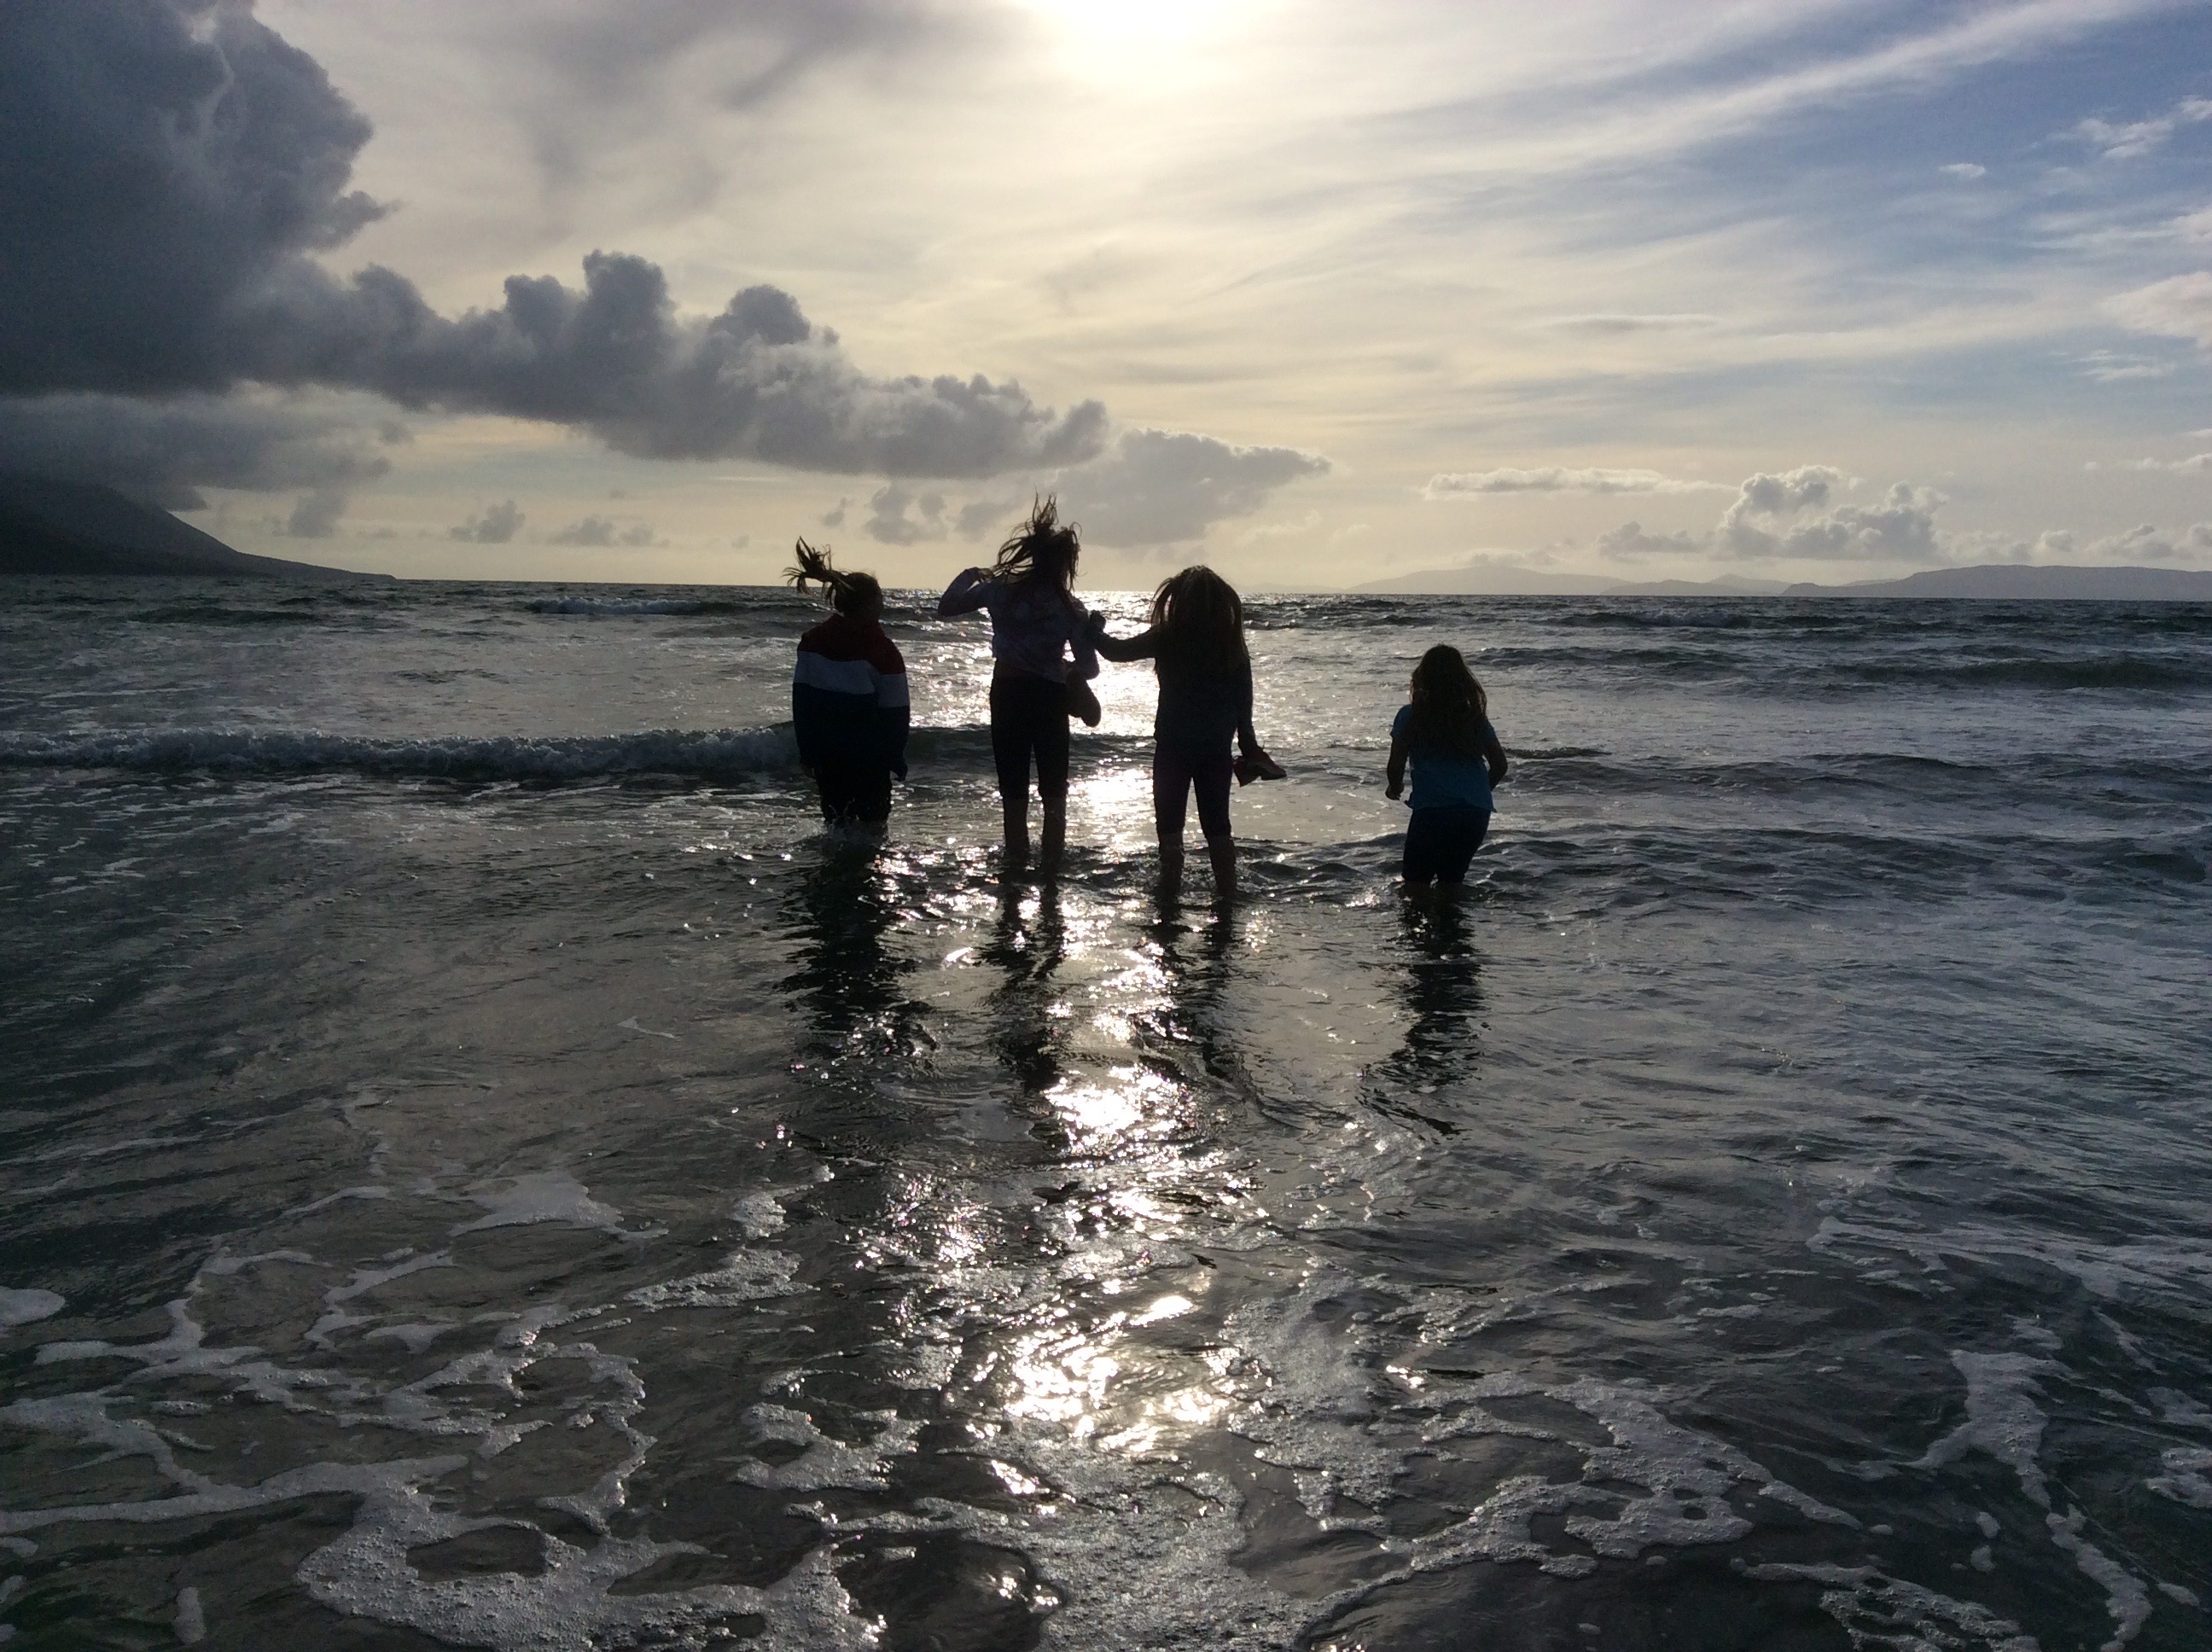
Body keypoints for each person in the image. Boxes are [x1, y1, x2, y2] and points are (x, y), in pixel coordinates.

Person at [1090, 566, 1284, 890]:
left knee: (1169, 830)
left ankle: (1169, 892)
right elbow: (1243, 707)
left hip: (1173, 748)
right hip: (1215, 751)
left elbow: (1117, 652)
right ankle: (1227, 893)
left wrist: (1094, 630)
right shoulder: (1232, 646)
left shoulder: (1168, 636)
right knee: (1218, 828)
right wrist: (1249, 748)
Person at [936, 497, 1101, 875]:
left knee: (1013, 791)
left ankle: (1015, 868)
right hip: (1049, 697)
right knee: (1054, 791)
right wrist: (1079, 651)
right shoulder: (1070, 608)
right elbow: (1089, 669)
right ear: (1065, 565)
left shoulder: (998, 591)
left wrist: (971, 573)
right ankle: (1051, 872)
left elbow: (946, 607)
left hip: (1007, 694)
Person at [789, 538, 908, 831]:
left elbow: (802, 702)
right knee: (872, 830)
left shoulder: (812, 642)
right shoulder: (882, 650)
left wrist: (807, 752)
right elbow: (896, 711)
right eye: (880, 598)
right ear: (868, 605)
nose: (883, 604)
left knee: (836, 826)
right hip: (870, 756)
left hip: (828, 754)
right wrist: (895, 756)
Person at [1385, 643, 1508, 889]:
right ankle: (1451, 927)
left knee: (1415, 883)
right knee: (1452, 882)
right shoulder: (1473, 718)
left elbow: (1396, 762)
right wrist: (1479, 792)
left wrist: (1395, 786)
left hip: (1433, 810)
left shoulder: (1411, 716)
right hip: (1475, 812)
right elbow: (1500, 765)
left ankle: (1416, 926)